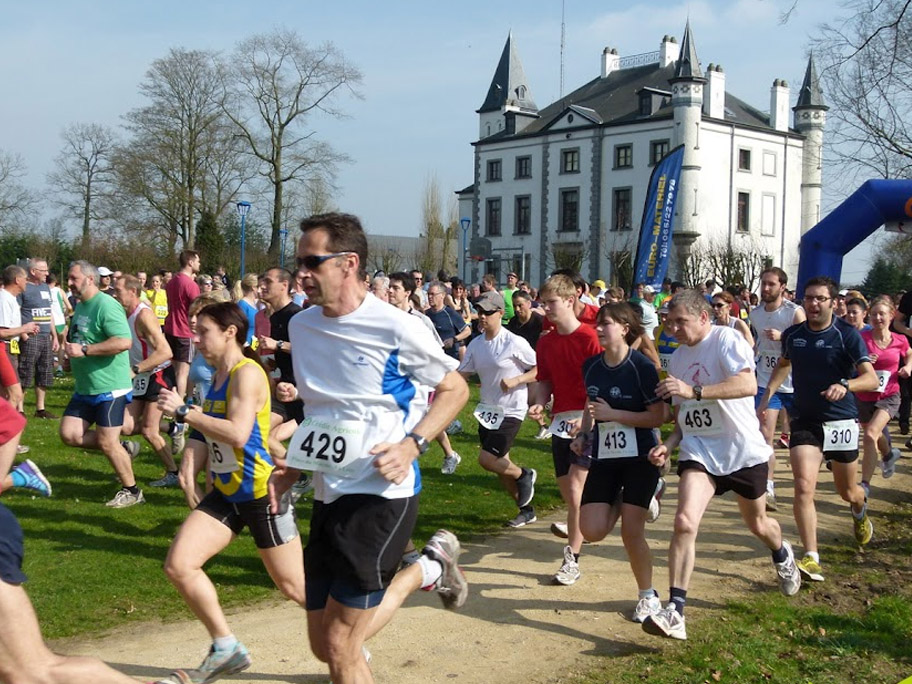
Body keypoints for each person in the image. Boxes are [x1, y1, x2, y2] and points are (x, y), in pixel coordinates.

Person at [268, 212, 469, 684]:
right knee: (324, 644)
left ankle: (423, 569)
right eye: (298, 262)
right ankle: (427, 568)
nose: (301, 274)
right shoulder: (302, 327)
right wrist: (295, 467)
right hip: (328, 491)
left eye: (312, 262)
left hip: (383, 492)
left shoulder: (395, 327)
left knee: (341, 643)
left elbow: (455, 388)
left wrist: (413, 445)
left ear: (349, 263)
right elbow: (323, 410)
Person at [155, 302, 305, 684]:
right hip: (226, 491)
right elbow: (207, 429)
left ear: (230, 332)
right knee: (179, 565)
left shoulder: (247, 373)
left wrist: (183, 412)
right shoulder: (218, 375)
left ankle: (347, 644)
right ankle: (226, 647)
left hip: (262, 492)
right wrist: (189, 466)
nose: (196, 338)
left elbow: (238, 433)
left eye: (203, 331)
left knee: (293, 586)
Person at [642, 290, 801, 641]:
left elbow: (747, 383)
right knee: (684, 522)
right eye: (669, 321)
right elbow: (683, 416)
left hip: (742, 450)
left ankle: (781, 551)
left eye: (680, 321)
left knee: (758, 524)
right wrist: (669, 445)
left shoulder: (726, 339)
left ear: (703, 318)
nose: (672, 328)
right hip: (700, 450)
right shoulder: (677, 358)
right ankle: (676, 610)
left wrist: (695, 390)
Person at [759, 276, 879, 582]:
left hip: (840, 420)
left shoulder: (847, 335)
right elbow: (784, 364)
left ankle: (859, 507)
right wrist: (768, 395)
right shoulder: (793, 334)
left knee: (847, 491)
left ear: (833, 303)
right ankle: (812, 557)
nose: (813, 304)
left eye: (820, 299)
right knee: (802, 485)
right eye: (808, 298)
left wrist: (845, 385)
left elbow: (871, 379)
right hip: (804, 419)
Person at [573, 302, 666, 622]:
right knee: (591, 530)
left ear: (625, 329)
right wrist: (584, 433)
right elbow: (591, 404)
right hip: (606, 456)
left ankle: (648, 596)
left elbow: (659, 416)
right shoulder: (591, 366)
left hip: (641, 457)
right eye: (598, 323)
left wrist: (615, 414)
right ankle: (633, 495)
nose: (599, 329)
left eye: (607, 323)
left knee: (631, 531)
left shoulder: (641, 367)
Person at [528, 274, 603, 585]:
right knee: (571, 495)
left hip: (588, 420)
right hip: (560, 422)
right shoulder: (545, 342)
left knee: (574, 490)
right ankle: (619, 496)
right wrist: (539, 403)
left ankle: (572, 559)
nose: (545, 309)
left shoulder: (589, 338)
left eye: (551, 303)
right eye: (543, 303)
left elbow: (600, 385)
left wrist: (585, 421)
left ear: (571, 301)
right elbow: (545, 379)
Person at [59, 261, 143, 508]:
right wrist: (70, 359)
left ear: (89, 279)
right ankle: (123, 448)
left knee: (107, 442)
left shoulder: (106, 305)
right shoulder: (81, 305)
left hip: (110, 387)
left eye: (74, 278)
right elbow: (80, 337)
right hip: (86, 386)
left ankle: (132, 491)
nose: (69, 283)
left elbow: (123, 342)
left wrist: (85, 350)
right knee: (69, 434)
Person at [458, 291, 539, 528]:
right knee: (500, 466)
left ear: (501, 313)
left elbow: (540, 369)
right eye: (479, 312)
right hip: (487, 411)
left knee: (487, 459)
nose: (482, 316)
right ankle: (526, 510)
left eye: (488, 312)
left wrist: (516, 380)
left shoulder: (514, 342)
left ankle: (524, 474)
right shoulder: (476, 344)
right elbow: (462, 374)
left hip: (511, 410)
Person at [387, 272, 462, 474]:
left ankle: (448, 454)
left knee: (426, 417)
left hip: (421, 381)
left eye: (395, 288)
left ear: (407, 293)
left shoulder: (421, 320)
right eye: (389, 287)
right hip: (396, 381)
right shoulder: (385, 318)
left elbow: (437, 350)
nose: (390, 291)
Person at [114, 274, 181, 488]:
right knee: (125, 426)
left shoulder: (144, 315)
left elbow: (165, 351)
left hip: (157, 374)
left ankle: (174, 473)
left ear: (132, 291)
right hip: (141, 376)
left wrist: (135, 369)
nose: (115, 295)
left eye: (118, 291)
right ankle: (170, 429)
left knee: (149, 431)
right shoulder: (124, 312)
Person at [749, 267, 805, 511]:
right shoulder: (755, 314)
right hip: (766, 381)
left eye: (771, 284)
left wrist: (783, 337)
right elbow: (757, 345)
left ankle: (804, 483)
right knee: (764, 434)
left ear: (782, 287)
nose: (765, 288)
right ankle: (768, 486)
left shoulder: (794, 313)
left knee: (802, 439)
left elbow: (805, 343)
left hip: (795, 384)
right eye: (763, 283)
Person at [857, 296, 910, 494]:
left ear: (891, 315)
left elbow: (909, 353)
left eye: (882, 314)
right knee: (874, 433)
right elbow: (848, 360)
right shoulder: (862, 338)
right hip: (864, 395)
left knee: (870, 433)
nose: (878, 318)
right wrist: (863, 360)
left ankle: (864, 484)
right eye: (874, 314)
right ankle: (888, 455)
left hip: (889, 395)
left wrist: (909, 367)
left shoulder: (900, 340)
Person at [255, 268, 304, 458]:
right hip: (283, 386)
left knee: (260, 435)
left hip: (300, 392)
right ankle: (289, 470)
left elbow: (309, 349)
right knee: (262, 436)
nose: (262, 286)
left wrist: (278, 345)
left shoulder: (297, 315)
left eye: (268, 282)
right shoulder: (275, 316)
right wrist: (274, 362)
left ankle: (293, 471)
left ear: (284, 285)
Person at [18, 258, 59, 419]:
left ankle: (40, 409)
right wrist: (23, 333)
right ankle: (19, 409)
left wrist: (54, 336)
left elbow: (49, 313)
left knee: (44, 372)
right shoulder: (23, 288)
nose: (47, 273)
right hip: (30, 336)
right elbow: (17, 312)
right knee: (25, 372)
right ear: (33, 271)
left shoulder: (45, 287)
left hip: (45, 336)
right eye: (43, 270)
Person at [164, 250, 201, 397]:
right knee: (183, 372)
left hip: (170, 328)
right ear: (190, 262)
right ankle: (178, 405)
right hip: (185, 331)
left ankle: (171, 400)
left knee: (173, 370)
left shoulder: (171, 282)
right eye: (197, 261)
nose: (199, 264)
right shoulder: (190, 284)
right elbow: (198, 308)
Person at [0, 265, 39, 399]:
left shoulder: (11, 298)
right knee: (16, 395)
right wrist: (24, 329)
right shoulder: (4, 299)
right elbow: (2, 332)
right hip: (3, 348)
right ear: (17, 280)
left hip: (10, 347)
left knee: (5, 395)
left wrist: (25, 330)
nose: (27, 281)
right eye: (25, 279)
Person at [425, 281, 470, 360]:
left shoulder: (450, 313)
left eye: (432, 294)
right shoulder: (426, 314)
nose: (429, 297)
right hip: (432, 357)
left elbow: (467, 331)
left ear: (442, 295)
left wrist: (454, 339)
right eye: (428, 294)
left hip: (449, 357)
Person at [232, 274, 259, 346]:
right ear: (253, 287)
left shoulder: (256, 303)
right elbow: (239, 326)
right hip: (247, 344)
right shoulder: (242, 304)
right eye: (259, 286)